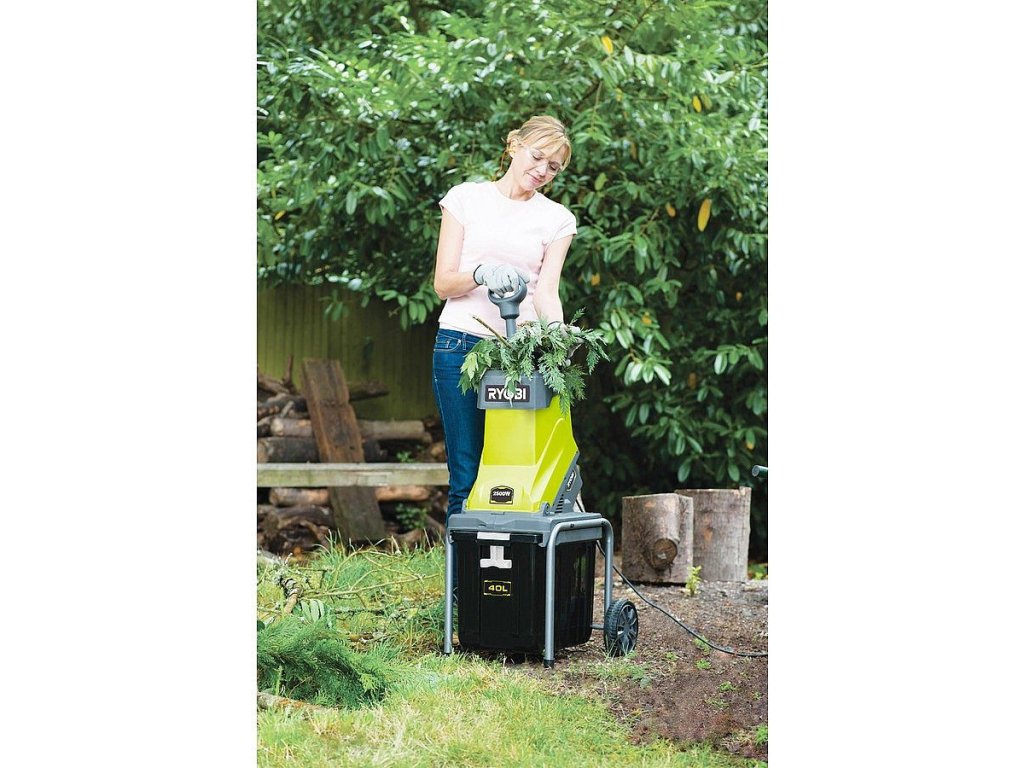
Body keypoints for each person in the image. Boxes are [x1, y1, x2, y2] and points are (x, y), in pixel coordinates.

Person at [431, 115, 577, 584]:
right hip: (460, 346)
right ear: (514, 145)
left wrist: (557, 342)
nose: (542, 170)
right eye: (538, 157)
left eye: (553, 167)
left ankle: (513, 587)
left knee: (517, 472)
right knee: (468, 473)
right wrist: (480, 274)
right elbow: (442, 283)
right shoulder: (466, 199)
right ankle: (464, 595)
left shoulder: (556, 219)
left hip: (520, 360)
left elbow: (546, 291)